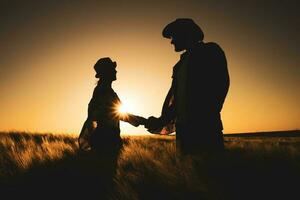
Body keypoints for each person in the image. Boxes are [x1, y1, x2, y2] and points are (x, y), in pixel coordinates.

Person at [145, 18, 230, 155]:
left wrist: (205, 116)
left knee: (212, 172)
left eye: (173, 36)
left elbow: (222, 84)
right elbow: (177, 102)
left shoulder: (210, 51)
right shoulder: (178, 66)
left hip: (206, 130)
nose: (171, 41)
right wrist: (161, 120)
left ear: (185, 34)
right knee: (188, 172)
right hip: (184, 133)